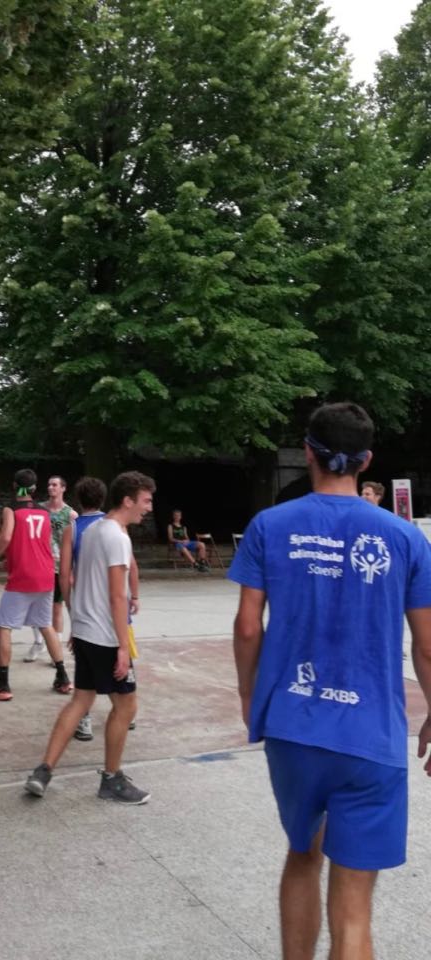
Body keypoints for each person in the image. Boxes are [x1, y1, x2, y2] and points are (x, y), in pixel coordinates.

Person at [229, 401, 431, 960]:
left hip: (294, 724)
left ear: (308, 452)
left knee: (302, 855)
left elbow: (247, 627)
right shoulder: (405, 538)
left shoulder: (269, 525)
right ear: (366, 460)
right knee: (354, 908)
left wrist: (250, 696)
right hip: (371, 735)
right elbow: (427, 646)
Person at [24, 470, 156, 804]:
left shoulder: (92, 530)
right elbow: (117, 596)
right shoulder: (117, 537)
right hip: (105, 636)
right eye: (145, 501)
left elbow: (74, 579)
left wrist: (76, 625)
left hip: (84, 631)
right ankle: (112, 779)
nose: (149, 507)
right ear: (127, 500)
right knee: (126, 705)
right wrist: (123, 646)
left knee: (81, 700)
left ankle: (43, 770)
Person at [57, 476, 139, 742]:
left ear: (78, 500)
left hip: (86, 615)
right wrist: (135, 595)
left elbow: (65, 575)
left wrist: (73, 611)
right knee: (120, 672)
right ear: (104, 498)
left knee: (85, 684)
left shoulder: (73, 529)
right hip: (113, 615)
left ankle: (85, 721)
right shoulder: (116, 526)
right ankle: (125, 714)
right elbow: (131, 566)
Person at [0, 468, 72, 701]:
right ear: (34, 488)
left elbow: (6, 537)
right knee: (46, 625)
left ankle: (3, 685)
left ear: (14, 485)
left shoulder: (12, 509)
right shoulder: (44, 512)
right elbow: (40, 541)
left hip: (24, 576)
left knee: (3, 626)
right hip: (46, 574)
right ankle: (63, 677)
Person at [24, 475, 78, 662]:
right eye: (49, 484)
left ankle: (56, 648)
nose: (51, 487)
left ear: (63, 488)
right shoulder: (38, 509)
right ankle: (38, 642)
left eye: (55, 485)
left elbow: (75, 544)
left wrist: (73, 568)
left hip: (59, 567)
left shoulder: (71, 515)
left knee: (56, 607)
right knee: (34, 605)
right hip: (38, 564)